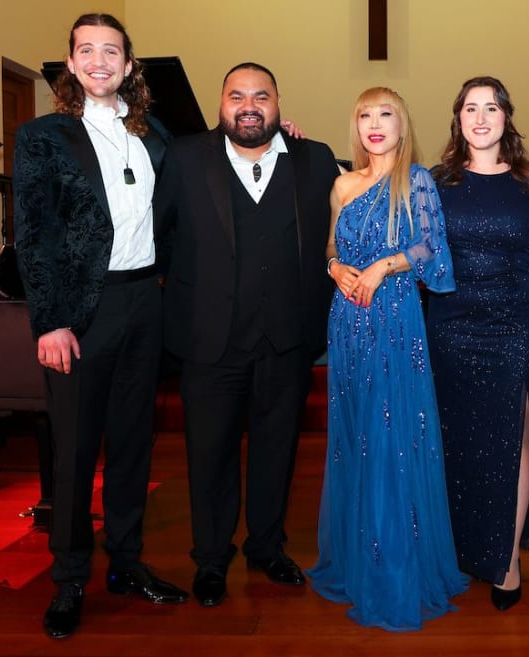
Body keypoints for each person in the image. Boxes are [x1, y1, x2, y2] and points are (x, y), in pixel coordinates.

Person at [14, 13, 188, 639]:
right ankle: (69, 579)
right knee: (75, 450)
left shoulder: (158, 136)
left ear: (129, 65)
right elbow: (32, 236)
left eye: (110, 51)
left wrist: (282, 138)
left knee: (134, 444)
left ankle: (128, 562)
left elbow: (206, 172)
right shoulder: (43, 137)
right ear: (70, 62)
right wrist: (51, 322)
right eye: (85, 50)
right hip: (81, 313)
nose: (98, 60)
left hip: (147, 302)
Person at [155, 62, 339, 607]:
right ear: (221, 104)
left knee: (276, 452)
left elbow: (348, 224)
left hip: (288, 338)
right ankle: (211, 558)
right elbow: (158, 236)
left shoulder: (316, 159)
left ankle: (266, 545)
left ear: (279, 105)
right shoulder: (185, 158)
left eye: (261, 95)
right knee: (208, 455)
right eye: (237, 95)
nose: (249, 105)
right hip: (209, 341)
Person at [307, 87, 468, 631]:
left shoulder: (416, 179)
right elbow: (331, 245)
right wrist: (336, 268)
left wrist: (383, 266)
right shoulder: (342, 184)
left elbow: (432, 247)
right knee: (355, 435)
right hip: (347, 320)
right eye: (365, 115)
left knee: (393, 433)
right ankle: (359, 560)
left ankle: (396, 563)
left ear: (403, 125)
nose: (375, 124)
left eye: (386, 115)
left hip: (396, 319)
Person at [427, 76, 529, 611]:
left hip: (518, 324)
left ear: (507, 117)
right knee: (461, 439)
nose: (481, 117)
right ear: (458, 118)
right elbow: (415, 248)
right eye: (470, 108)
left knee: (516, 436)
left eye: (491, 107)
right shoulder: (436, 182)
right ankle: (466, 549)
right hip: (452, 325)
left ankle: (506, 560)